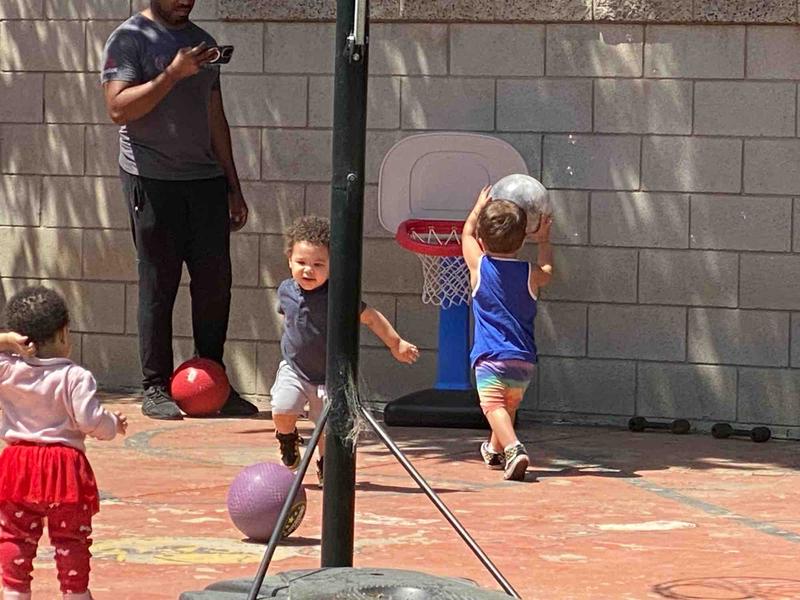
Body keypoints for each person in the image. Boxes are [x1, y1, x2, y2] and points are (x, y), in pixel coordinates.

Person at [100, 0, 257, 420]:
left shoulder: (202, 43)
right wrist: (171, 74)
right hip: (151, 179)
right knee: (159, 283)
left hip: (204, 181)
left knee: (214, 285)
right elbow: (118, 109)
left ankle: (213, 381)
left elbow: (214, 114)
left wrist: (233, 186)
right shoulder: (129, 39)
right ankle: (155, 386)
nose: (185, 0)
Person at [0, 286, 128, 600]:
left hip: (17, 464)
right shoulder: (74, 376)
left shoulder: (7, 369)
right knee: (71, 538)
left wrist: (5, 340)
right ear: (62, 335)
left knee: (15, 535)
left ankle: (15, 592)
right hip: (63, 468)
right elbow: (89, 420)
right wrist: (113, 425)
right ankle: (75, 593)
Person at [272, 216, 420, 485]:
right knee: (282, 409)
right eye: (301, 263)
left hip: (329, 376)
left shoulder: (337, 295)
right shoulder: (285, 291)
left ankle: (327, 465)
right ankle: (287, 438)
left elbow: (371, 317)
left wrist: (395, 343)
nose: (308, 270)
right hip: (295, 368)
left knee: (328, 429)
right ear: (289, 261)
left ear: (332, 266)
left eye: (318, 264)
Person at [461, 186, 554, 481]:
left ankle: (514, 448)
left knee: (493, 406)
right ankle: (495, 449)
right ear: (522, 238)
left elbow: (465, 235)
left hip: (490, 357)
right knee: (507, 406)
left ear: (481, 239)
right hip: (523, 360)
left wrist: (477, 207)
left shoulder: (480, 266)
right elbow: (548, 270)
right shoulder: (529, 272)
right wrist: (544, 241)